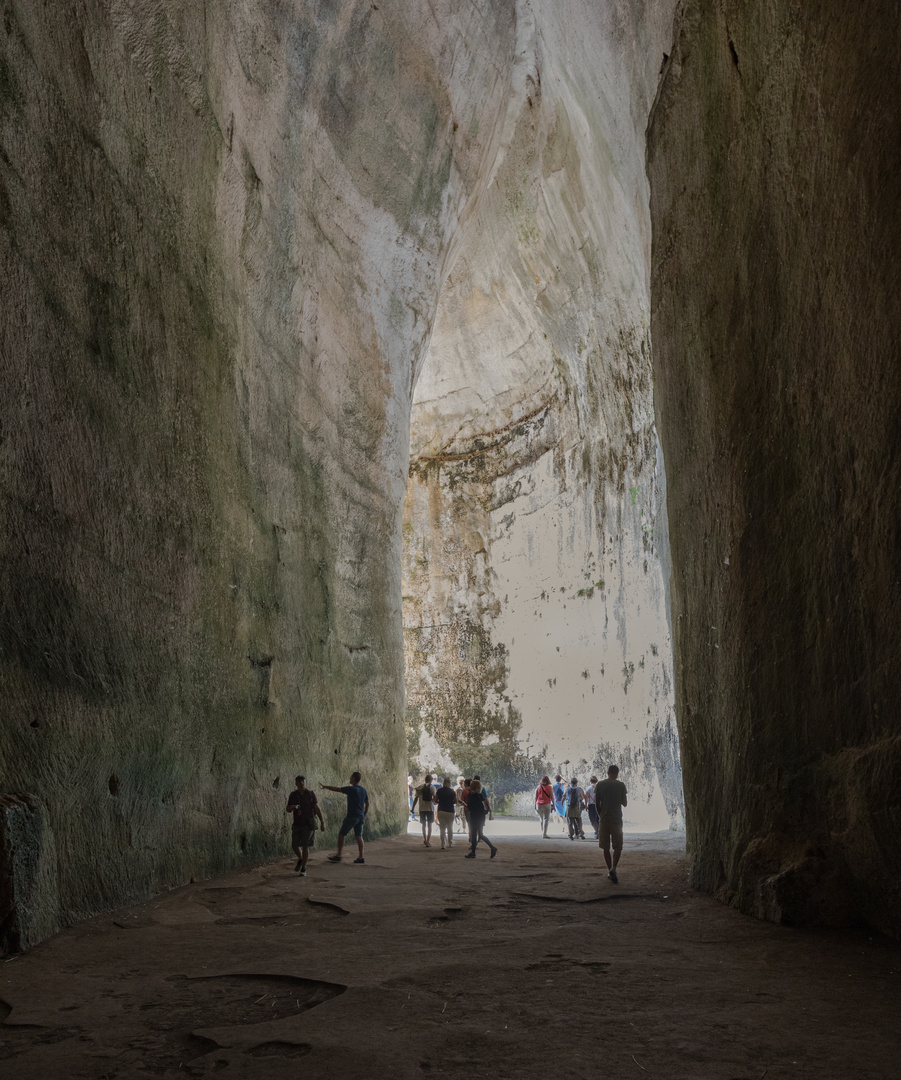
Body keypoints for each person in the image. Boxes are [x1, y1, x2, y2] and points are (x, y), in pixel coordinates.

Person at [320, 771, 369, 864]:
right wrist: (364, 815)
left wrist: (325, 786)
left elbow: (336, 789)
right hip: (360, 817)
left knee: (341, 834)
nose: (349, 779)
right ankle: (361, 857)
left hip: (352, 816)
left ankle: (338, 855)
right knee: (359, 836)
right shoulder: (363, 790)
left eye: (351, 777)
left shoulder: (351, 789)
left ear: (354, 778)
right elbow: (367, 803)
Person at [594, 764, 628, 883]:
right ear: (617, 773)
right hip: (617, 819)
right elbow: (624, 803)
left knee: (605, 847)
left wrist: (600, 815)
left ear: (607, 772)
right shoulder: (621, 785)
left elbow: (596, 802)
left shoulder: (600, 784)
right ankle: (614, 868)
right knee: (618, 846)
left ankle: (609, 870)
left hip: (604, 819)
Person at [286, 775, 324, 876]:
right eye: (299, 781)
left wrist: (322, 822)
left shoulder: (311, 794)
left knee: (305, 846)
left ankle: (303, 867)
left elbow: (317, 808)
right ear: (296, 783)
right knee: (294, 845)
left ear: (305, 782)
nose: (301, 783)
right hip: (297, 823)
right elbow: (288, 809)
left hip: (308, 824)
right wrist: (293, 807)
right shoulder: (293, 795)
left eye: (303, 781)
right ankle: (300, 859)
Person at [464, 780, 497, 859]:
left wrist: (465, 804)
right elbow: (485, 808)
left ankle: (473, 852)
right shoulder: (481, 796)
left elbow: (470, 807)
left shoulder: (472, 796)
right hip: (481, 817)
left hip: (474, 817)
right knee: (480, 834)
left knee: (474, 834)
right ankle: (491, 847)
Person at [434, 777, 458, 849]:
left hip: (441, 810)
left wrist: (440, 802)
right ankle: (450, 843)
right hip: (450, 810)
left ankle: (443, 844)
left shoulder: (439, 791)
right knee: (450, 827)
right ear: (450, 783)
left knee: (442, 828)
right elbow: (456, 801)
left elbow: (435, 800)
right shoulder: (452, 791)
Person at [411, 774, 435, 847]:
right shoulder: (432, 787)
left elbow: (416, 798)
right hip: (430, 808)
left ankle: (424, 839)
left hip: (422, 808)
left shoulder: (420, 788)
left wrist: (413, 808)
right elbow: (435, 797)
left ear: (425, 780)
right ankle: (428, 841)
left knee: (423, 825)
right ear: (431, 780)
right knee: (430, 825)